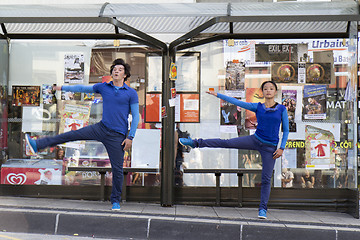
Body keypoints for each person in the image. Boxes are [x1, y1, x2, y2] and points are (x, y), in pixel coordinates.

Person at [24, 58, 140, 211]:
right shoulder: (104, 87)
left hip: (117, 136)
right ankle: (38, 144)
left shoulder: (131, 93)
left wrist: (130, 137)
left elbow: (136, 116)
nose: (115, 71)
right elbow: (82, 88)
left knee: (117, 169)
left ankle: (115, 201)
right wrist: (60, 87)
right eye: (114, 69)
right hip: (101, 128)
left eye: (119, 69)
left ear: (125, 74)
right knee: (71, 134)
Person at [179, 81, 289, 219]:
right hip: (255, 140)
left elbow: (286, 130)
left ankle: (262, 209)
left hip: (270, 148)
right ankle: (195, 143)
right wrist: (217, 94)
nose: (268, 91)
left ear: (275, 92)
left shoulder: (281, 109)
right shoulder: (258, 106)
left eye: (271, 89)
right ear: (262, 92)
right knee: (226, 143)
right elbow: (237, 102)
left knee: (266, 179)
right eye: (265, 89)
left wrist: (282, 148)